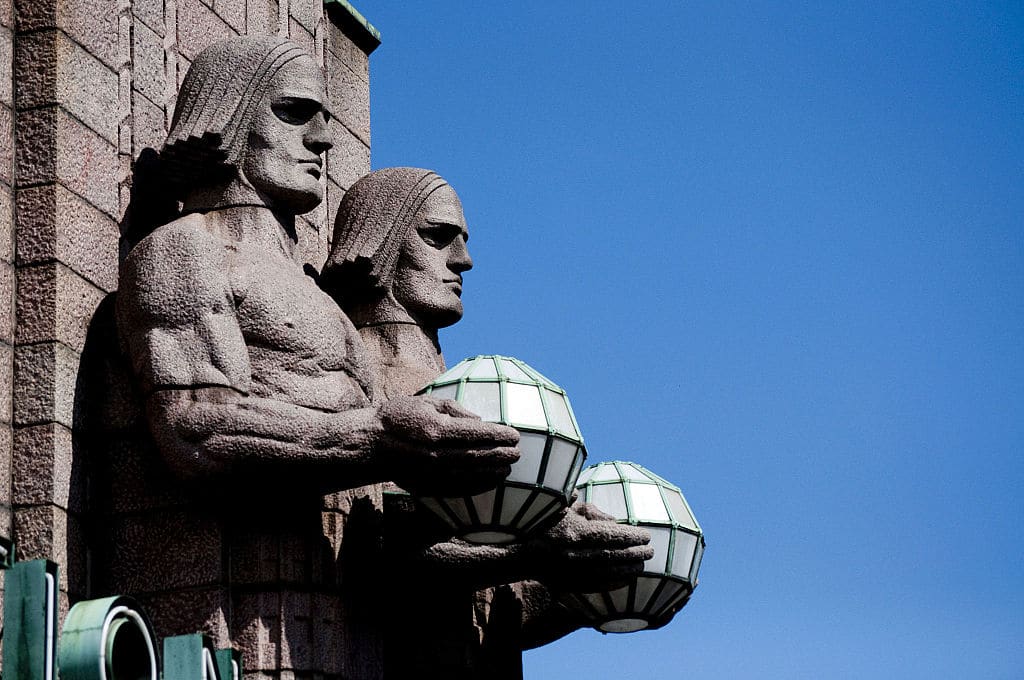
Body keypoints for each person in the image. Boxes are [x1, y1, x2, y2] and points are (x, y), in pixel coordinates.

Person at [114, 38, 518, 678]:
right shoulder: (184, 250)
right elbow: (197, 427)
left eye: (326, 118)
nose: (323, 139)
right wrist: (381, 436)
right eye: (294, 112)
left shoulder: (318, 299)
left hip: (340, 617)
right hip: (241, 609)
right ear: (229, 115)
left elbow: (379, 516)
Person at [323, 167, 655, 678]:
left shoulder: (468, 389)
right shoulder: (353, 369)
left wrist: (589, 587)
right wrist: (538, 551)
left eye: (463, 240)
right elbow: (372, 554)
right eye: (438, 236)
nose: (463, 260)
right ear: (379, 238)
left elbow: (497, 611)